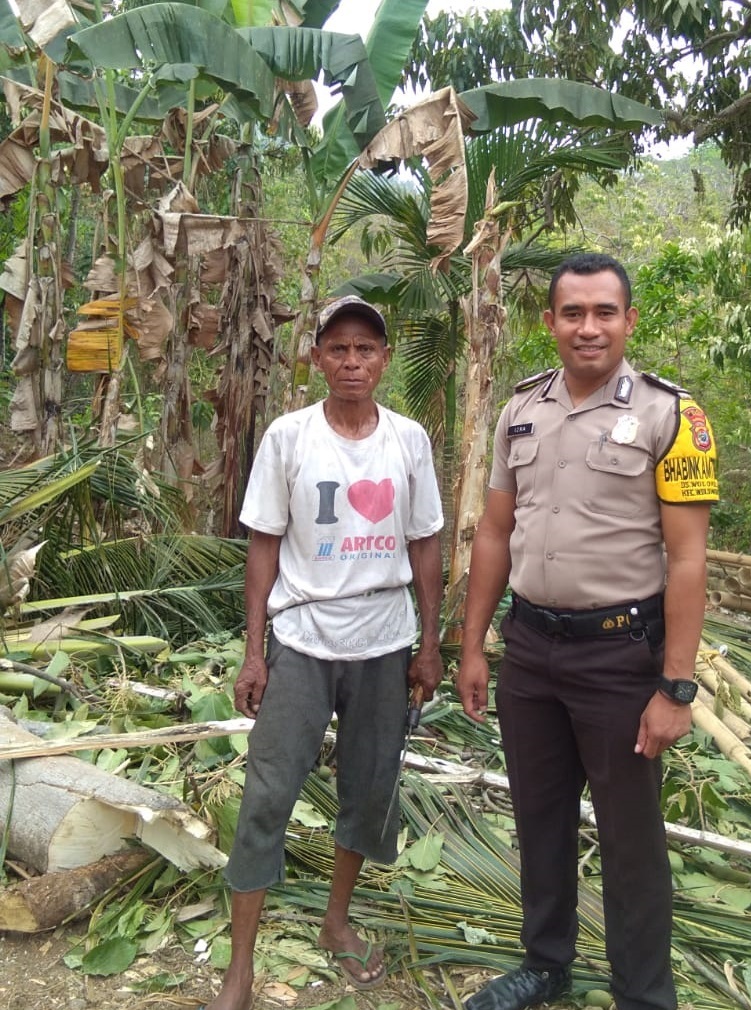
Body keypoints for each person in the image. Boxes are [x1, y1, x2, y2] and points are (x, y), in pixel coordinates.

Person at [457, 253, 719, 1010]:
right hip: (531, 651)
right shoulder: (521, 411)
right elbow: (495, 534)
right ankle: (546, 964)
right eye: (572, 313)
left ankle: (642, 995)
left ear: (630, 321)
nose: (588, 327)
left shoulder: (674, 416)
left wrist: (675, 685)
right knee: (539, 814)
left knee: (629, 836)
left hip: (618, 655)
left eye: (605, 311)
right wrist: (474, 645)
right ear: (550, 324)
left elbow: (688, 558)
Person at [205, 296, 444, 1010]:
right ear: (316, 358)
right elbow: (263, 545)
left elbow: (425, 543)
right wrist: (255, 651)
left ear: (384, 359)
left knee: (369, 792)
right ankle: (240, 967)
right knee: (268, 793)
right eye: (337, 349)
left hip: (383, 641)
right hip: (304, 640)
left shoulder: (408, 440)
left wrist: (431, 644)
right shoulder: (289, 437)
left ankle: (335, 922)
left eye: (365, 349)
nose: (351, 362)